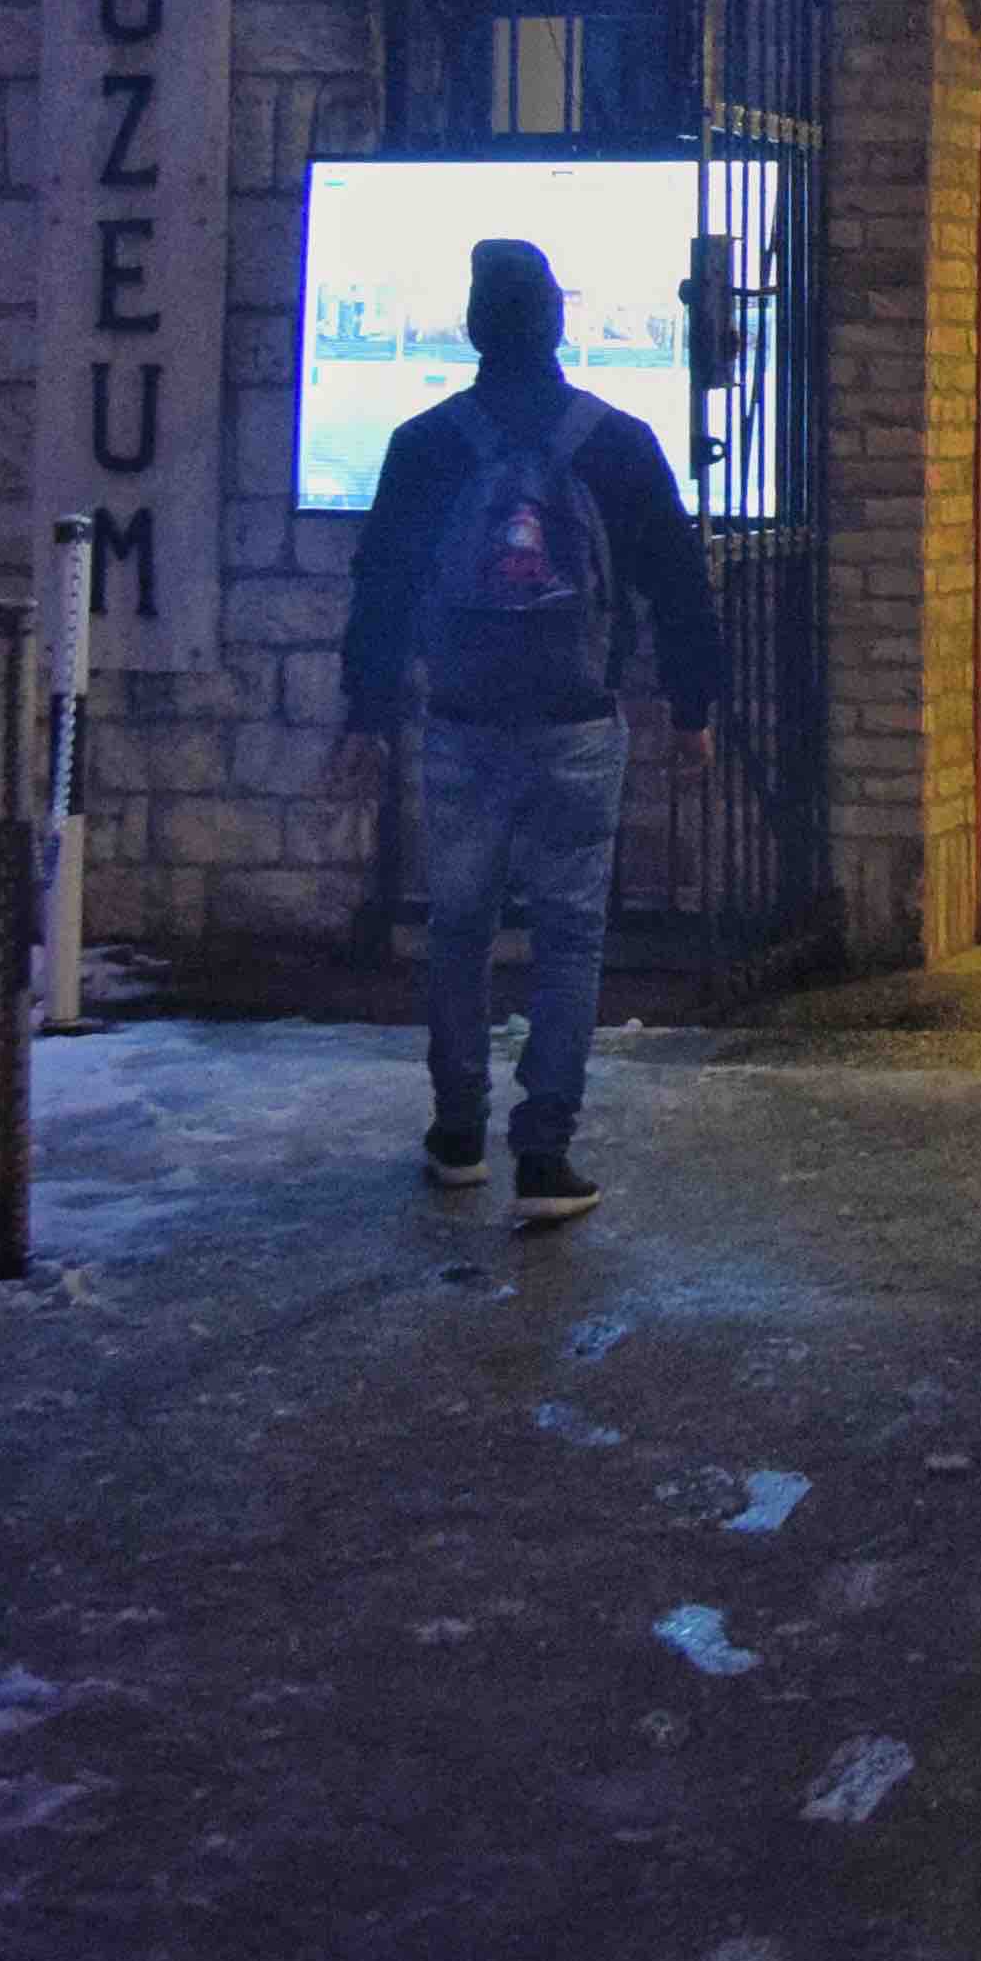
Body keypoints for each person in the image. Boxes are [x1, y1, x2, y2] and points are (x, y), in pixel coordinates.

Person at [339, 238, 724, 1224]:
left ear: (474, 325)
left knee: (457, 926)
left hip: (462, 724)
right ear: (558, 322)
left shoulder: (425, 443)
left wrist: (368, 713)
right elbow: (677, 581)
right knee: (569, 935)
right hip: (576, 723)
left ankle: (457, 1131)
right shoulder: (616, 440)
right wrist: (694, 707)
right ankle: (545, 1150)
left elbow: (381, 586)